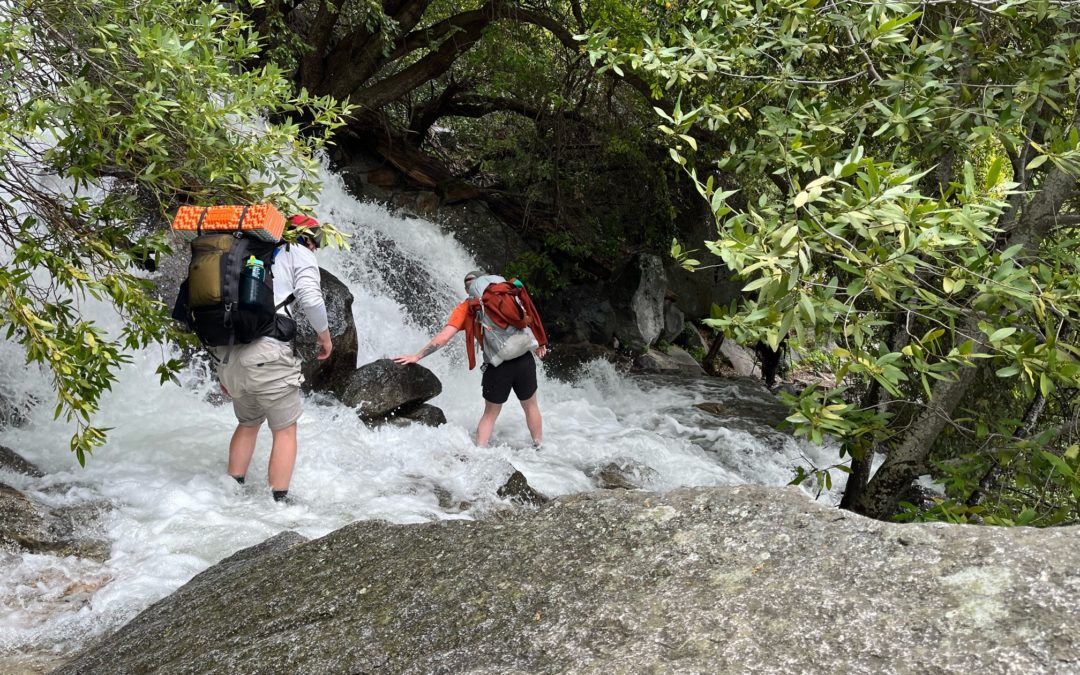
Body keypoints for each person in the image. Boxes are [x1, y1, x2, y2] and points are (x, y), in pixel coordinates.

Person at [215, 215, 333, 502]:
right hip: (268, 352)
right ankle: (278, 505)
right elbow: (311, 298)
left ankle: (230, 494)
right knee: (284, 431)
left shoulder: (243, 251)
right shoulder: (298, 252)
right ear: (310, 238)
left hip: (228, 352)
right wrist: (325, 336)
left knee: (247, 423)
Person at [393, 270, 547, 447]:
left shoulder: (468, 307)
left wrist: (417, 356)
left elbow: (443, 338)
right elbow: (528, 313)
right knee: (531, 406)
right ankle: (539, 447)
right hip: (524, 357)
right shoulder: (507, 292)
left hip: (498, 365)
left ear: (468, 290)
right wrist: (540, 342)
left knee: (490, 414)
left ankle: (480, 453)